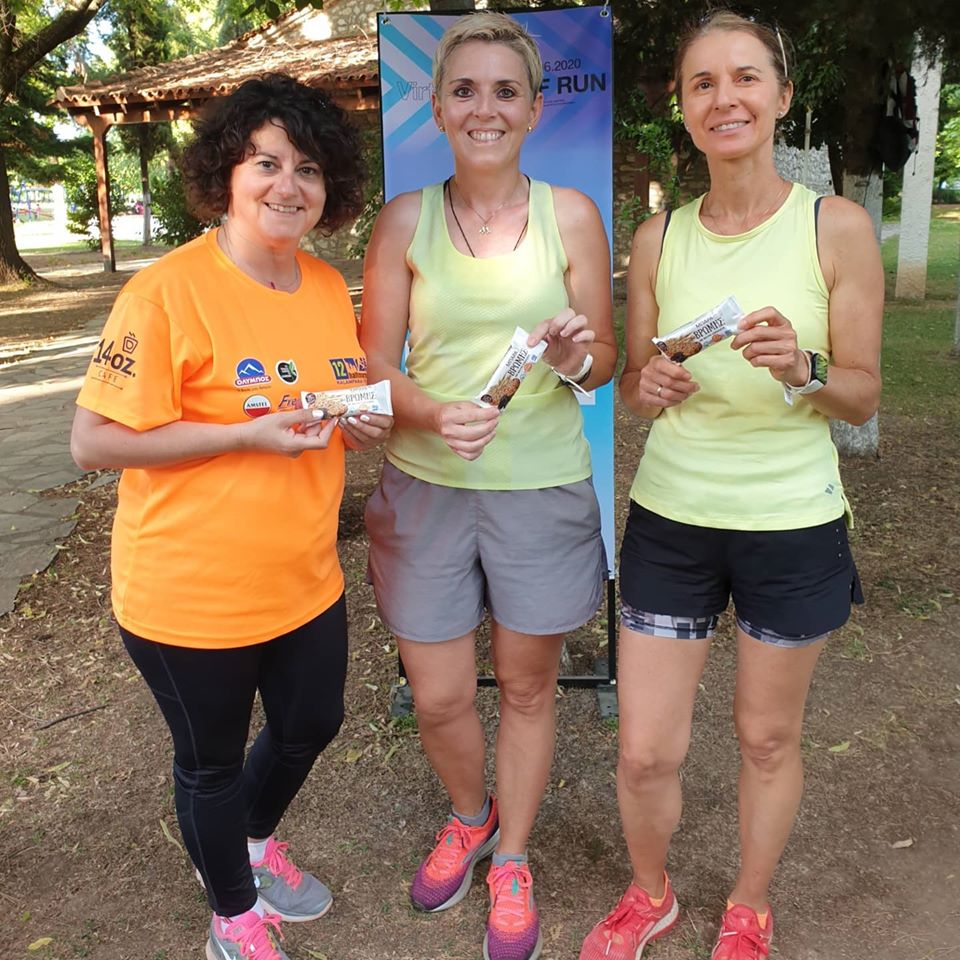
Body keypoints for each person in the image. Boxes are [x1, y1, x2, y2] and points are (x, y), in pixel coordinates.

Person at [579, 12, 883, 960]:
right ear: (682, 106)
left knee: (766, 739)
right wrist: (650, 386)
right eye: (702, 83)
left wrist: (804, 367)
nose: (725, 98)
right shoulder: (658, 237)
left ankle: (749, 906)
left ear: (782, 96)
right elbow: (636, 386)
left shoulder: (835, 226)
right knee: (645, 749)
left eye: (745, 77)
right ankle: (650, 894)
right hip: (672, 521)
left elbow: (863, 391)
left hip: (792, 525)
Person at [70, 74, 392, 960]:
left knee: (310, 725)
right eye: (267, 163)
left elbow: (321, 405)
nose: (290, 185)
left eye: (309, 169)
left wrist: (354, 424)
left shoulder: (324, 286)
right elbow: (93, 442)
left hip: (302, 578)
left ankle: (245, 845)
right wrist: (243, 438)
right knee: (210, 765)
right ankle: (233, 916)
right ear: (226, 173)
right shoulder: (166, 292)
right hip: (190, 593)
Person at [361, 12, 616, 960]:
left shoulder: (572, 216)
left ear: (536, 108)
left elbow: (602, 365)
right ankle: (471, 815)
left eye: (506, 90)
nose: (485, 108)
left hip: (541, 487)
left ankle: (512, 857)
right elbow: (369, 366)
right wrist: (433, 413)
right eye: (464, 89)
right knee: (437, 696)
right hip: (424, 487)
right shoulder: (404, 221)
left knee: (527, 685)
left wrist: (577, 356)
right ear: (435, 107)